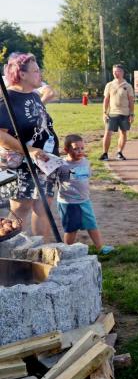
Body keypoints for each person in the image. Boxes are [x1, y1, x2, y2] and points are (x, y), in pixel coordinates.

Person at [0, 53, 59, 239]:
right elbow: (0, 135)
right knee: (20, 209)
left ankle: (43, 250)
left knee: (43, 208)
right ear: (22, 74)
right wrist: (30, 151)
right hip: (22, 164)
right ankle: (8, 249)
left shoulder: (34, 95)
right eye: (35, 71)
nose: (39, 74)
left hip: (45, 162)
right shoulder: (8, 99)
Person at [56, 134, 113, 254]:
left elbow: (86, 178)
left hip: (84, 200)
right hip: (69, 203)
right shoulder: (62, 166)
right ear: (66, 150)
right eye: (76, 149)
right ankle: (67, 251)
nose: (80, 151)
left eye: (82, 148)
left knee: (92, 224)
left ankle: (100, 247)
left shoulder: (86, 162)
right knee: (71, 229)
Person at [99, 64, 135, 161]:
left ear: (122, 72)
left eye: (117, 71)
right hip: (112, 113)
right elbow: (106, 99)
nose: (115, 73)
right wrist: (104, 112)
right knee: (107, 132)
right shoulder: (109, 85)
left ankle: (119, 153)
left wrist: (131, 114)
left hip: (125, 113)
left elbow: (131, 101)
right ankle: (105, 154)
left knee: (123, 133)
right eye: (114, 71)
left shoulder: (128, 86)